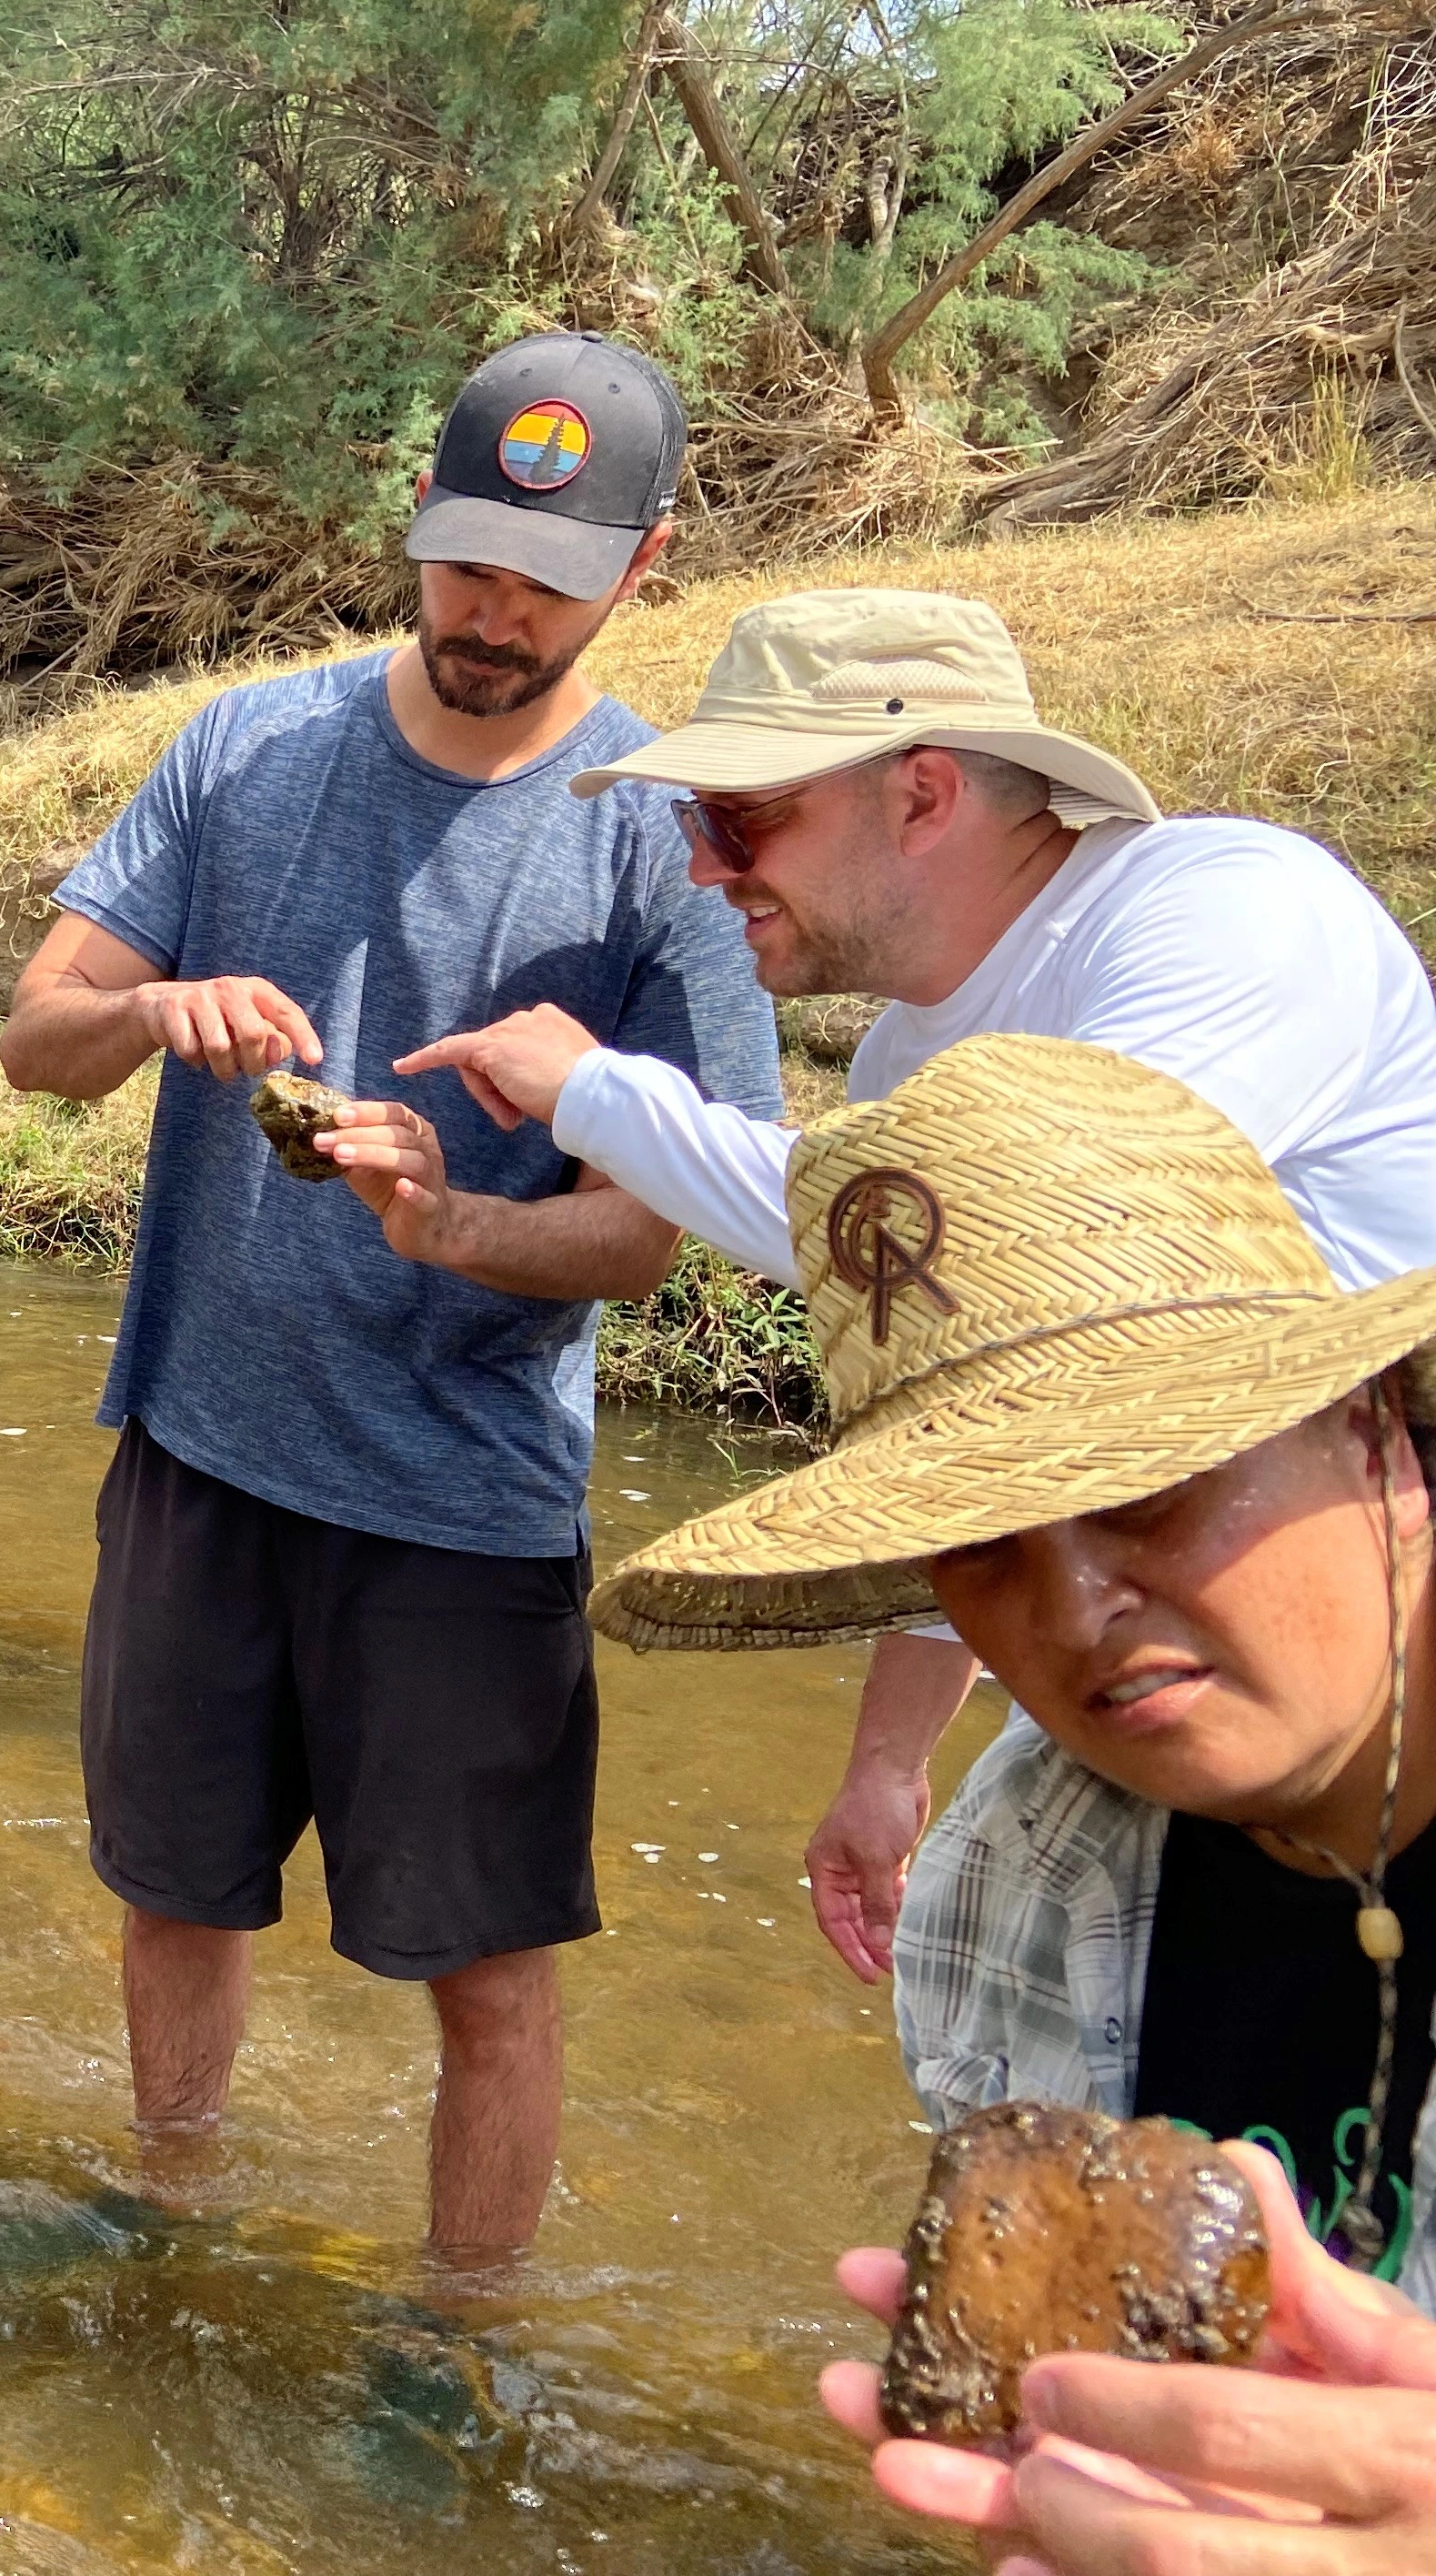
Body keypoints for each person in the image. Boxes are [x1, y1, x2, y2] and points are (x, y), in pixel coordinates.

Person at [0, 332, 781, 2255]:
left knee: (490, 1974)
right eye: (461, 560)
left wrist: (457, 1233)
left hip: (461, 1504)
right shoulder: (248, 748)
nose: (490, 611)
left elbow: (657, 1226)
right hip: (201, 1449)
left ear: (644, 564)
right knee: (175, 1893)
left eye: (545, 577)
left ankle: (461, 2340)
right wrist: (143, 1010)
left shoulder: (667, 836)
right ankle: (167, 2216)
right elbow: (34, 1042)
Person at [400, 589, 1436, 1990]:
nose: (707, 872)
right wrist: (889, 1764)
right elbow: (994, 1424)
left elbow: (1031, 1232)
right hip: (1171, 1644)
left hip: (1365, 1638)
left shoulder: (1224, 911)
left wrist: (599, 1095)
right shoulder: (901, 1070)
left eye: (740, 820)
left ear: (926, 794)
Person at [584, 1033, 1436, 2551]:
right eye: (979, 1541)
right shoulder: (1006, 1878)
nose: (1075, 1605)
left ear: (1371, 1423)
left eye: (1147, 1481)